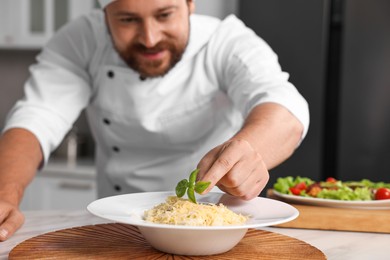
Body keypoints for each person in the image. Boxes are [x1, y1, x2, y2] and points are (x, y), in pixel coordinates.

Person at [0, 0, 309, 241]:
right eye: (128, 19)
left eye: (164, 15)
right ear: (104, 14)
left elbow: (283, 106)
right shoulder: (81, 40)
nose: (149, 38)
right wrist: (4, 195)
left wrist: (251, 149)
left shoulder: (226, 41)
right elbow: (38, 116)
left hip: (213, 229)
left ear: (190, 4)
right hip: (115, 227)